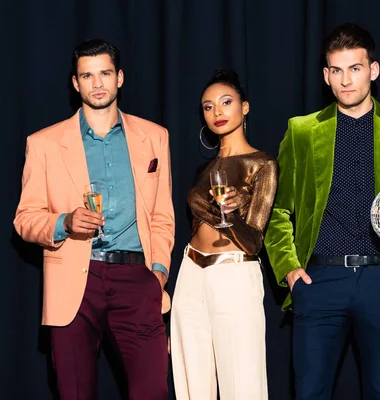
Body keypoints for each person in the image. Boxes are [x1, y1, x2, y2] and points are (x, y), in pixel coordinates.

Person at [264, 23, 380, 399]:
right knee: (309, 392)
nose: (346, 80)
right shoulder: (302, 130)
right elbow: (278, 210)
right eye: (336, 70)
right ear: (326, 75)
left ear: (373, 70)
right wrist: (289, 269)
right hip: (320, 279)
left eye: (354, 68)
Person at [13, 39, 174, 399]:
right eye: (87, 75)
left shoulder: (154, 137)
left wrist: (159, 272)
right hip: (74, 278)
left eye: (104, 73)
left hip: (137, 276)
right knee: (74, 392)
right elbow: (24, 218)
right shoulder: (43, 143)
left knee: (152, 391)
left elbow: (163, 214)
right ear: (75, 83)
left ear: (120, 78)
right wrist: (64, 222)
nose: (97, 83)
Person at [170, 69, 277, 400]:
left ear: (244, 107)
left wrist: (230, 214)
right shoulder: (204, 170)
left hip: (234, 273)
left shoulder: (262, 164)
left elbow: (255, 241)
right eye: (208, 106)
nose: (217, 112)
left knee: (242, 384)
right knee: (191, 384)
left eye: (226, 102)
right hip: (190, 272)